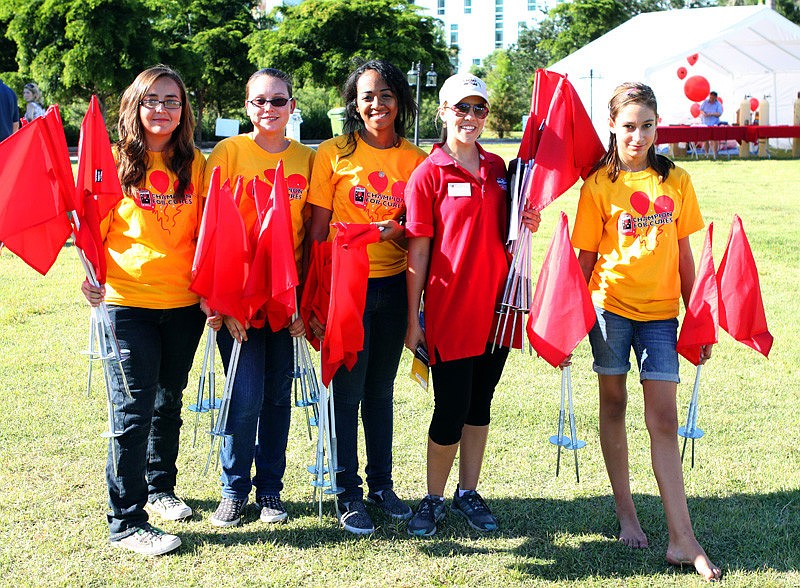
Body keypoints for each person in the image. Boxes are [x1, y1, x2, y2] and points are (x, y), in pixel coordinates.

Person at [572, 82, 722, 582]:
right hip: (609, 311)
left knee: (663, 419)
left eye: (648, 126)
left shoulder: (676, 180)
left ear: (658, 127)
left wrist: (695, 318)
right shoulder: (596, 184)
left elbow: (683, 254)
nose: (638, 136)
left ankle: (683, 539)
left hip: (661, 317)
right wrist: (567, 320)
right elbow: (585, 259)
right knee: (612, 406)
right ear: (612, 126)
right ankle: (627, 515)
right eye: (629, 126)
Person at [403, 73, 541, 538]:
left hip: (498, 309)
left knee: (480, 403)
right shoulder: (428, 174)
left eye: (479, 108)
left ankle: (468, 492)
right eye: (461, 107)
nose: (470, 117)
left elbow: (510, 229)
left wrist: (527, 217)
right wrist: (411, 319)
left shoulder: (501, 169)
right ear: (442, 111)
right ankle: (433, 498)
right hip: (449, 311)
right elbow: (418, 251)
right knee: (450, 407)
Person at [81, 65, 210, 556]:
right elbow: (92, 228)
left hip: (183, 305)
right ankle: (126, 521)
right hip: (127, 304)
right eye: (151, 100)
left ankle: (160, 489)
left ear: (184, 110)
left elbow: (207, 231)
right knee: (132, 411)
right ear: (135, 106)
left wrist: (211, 291)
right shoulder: (111, 162)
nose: (161, 109)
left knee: (167, 401)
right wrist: (90, 275)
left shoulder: (196, 165)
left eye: (171, 101)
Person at [307, 59, 427, 535]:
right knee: (346, 391)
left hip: (394, 287)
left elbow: (417, 232)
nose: (377, 104)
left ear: (400, 100)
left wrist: (393, 230)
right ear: (355, 104)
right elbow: (317, 231)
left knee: (380, 392)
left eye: (386, 95)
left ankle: (381, 485)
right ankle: (346, 491)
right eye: (367, 97)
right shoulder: (333, 154)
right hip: (345, 290)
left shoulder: (416, 160)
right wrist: (314, 300)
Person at [204, 68, 315, 528]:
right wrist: (221, 303)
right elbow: (209, 230)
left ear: (292, 106)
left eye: (278, 100)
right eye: (259, 101)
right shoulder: (229, 152)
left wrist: (304, 303)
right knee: (243, 395)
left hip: (284, 301)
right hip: (239, 301)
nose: (268, 109)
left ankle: (270, 490)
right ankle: (233, 490)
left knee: (275, 399)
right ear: (247, 107)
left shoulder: (308, 160)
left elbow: (312, 236)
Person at [699, 91, 723, 157]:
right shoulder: (705, 102)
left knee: (715, 139)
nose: (711, 99)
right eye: (710, 97)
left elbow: (719, 114)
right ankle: (706, 153)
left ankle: (715, 154)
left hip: (714, 124)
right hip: (705, 124)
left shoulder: (718, 104)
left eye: (712, 98)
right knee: (705, 139)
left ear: (716, 97)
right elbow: (701, 110)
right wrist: (703, 113)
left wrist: (711, 114)